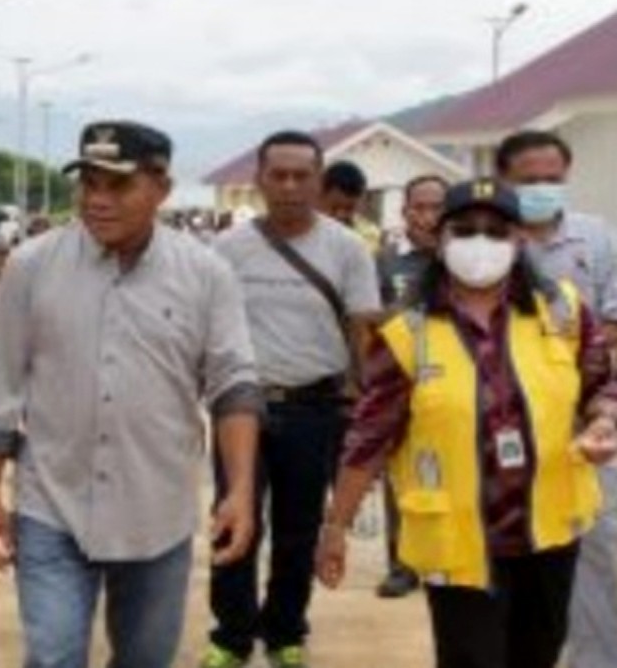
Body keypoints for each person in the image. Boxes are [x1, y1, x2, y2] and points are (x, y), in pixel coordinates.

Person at [0, 120, 261, 668]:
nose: (98, 201)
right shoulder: (32, 266)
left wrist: (240, 491)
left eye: (118, 186)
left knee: (145, 659)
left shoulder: (205, 275)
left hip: (157, 514)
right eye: (89, 184)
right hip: (51, 505)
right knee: (53, 656)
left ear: (162, 189)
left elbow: (234, 387)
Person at [317, 179, 617, 668]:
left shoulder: (562, 311)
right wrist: (337, 526)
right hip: (457, 541)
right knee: (471, 659)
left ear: (519, 240)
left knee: (537, 654)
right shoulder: (406, 334)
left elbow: (602, 383)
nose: (481, 242)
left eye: (496, 231)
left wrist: (604, 419)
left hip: (550, 533)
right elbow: (369, 437)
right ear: (441, 239)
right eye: (465, 230)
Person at [206, 131, 381, 668]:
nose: (288, 186)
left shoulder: (347, 248)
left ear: (319, 181)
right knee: (233, 522)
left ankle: (285, 630)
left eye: (301, 176)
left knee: (298, 528)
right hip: (243, 410)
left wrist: (364, 409)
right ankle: (230, 637)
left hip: (315, 410)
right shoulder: (226, 250)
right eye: (276, 175)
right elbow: (205, 331)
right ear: (258, 181)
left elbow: (364, 331)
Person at [493, 130, 617, 668]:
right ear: (504, 181)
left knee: (599, 542)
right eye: (529, 181)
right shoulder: (485, 240)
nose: (543, 189)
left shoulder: (598, 238)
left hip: (588, 421)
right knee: (517, 550)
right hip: (505, 427)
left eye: (552, 179)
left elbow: (612, 324)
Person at [373, 174, 449, 599]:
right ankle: (402, 564)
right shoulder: (385, 261)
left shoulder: (464, 256)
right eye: (419, 207)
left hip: (456, 382)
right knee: (400, 476)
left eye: (437, 207)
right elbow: (372, 321)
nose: (427, 216)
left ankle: (448, 556)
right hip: (402, 384)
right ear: (404, 213)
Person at [321, 160, 383, 253]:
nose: (340, 215)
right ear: (321, 197)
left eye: (349, 209)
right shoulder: (305, 230)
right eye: (334, 208)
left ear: (362, 202)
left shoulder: (371, 237)